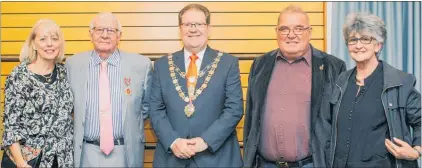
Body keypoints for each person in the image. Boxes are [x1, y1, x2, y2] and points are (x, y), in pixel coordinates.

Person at [243, 5, 346, 168]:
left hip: (312, 164)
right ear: (276, 32)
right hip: (264, 164)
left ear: (310, 32)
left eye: (299, 28)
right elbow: (251, 117)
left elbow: (340, 123)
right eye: (284, 29)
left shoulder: (333, 67)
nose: (291, 35)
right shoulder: (259, 65)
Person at [320, 12, 421, 168]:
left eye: (365, 39)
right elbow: (327, 126)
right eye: (353, 40)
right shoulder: (341, 81)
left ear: (378, 45)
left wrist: (416, 151)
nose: (358, 45)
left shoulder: (400, 82)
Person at [149, 4, 243, 167]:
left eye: (199, 24)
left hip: (217, 157)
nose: (193, 29)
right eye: (187, 24)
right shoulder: (161, 65)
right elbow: (155, 110)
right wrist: (173, 141)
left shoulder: (228, 63)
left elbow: (234, 109)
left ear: (209, 28)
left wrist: (205, 141)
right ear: (180, 29)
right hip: (172, 158)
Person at [65, 12, 152, 167]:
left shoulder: (141, 65)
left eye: (111, 30)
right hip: (85, 152)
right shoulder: (72, 65)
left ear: (119, 36)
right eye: (99, 30)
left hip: (124, 152)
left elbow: (145, 108)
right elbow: (67, 108)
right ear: (91, 34)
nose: (105, 35)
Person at [1, 19, 73, 168]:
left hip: (61, 159)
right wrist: (21, 163)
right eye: (43, 39)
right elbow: (11, 125)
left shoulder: (65, 73)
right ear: (33, 44)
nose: (49, 44)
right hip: (29, 161)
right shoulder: (19, 75)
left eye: (54, 38)